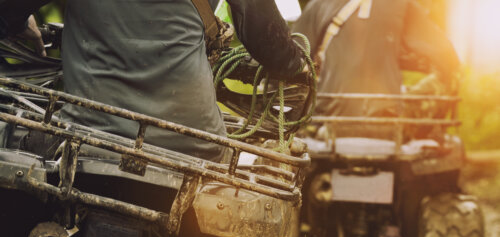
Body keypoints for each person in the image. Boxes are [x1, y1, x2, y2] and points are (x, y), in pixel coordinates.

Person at [0, 0, 305, 159]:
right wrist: (297, 65)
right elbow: (267, 41)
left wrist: (19, 21)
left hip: (89, 133)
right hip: (194, 142)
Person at [293, 0, 460, 137]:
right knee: (443, 82)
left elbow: (294, 60)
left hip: (325, 119)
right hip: (386, 120)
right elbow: (446, 56)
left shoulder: (318, 4)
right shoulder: (401, 5)